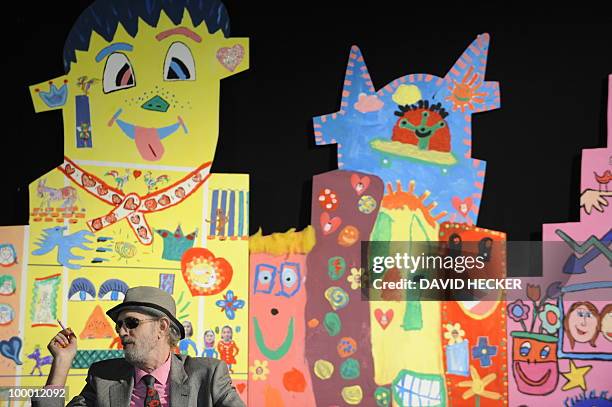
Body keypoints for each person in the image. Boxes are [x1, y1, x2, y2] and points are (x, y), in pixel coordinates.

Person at [32, 286, 245, 407]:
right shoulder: (104, 377)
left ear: (162, 327)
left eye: (132, 323)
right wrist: (61, 363)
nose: (122, 332)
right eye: (119, 325)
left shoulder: (208, 374)